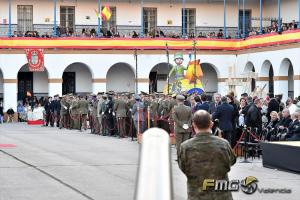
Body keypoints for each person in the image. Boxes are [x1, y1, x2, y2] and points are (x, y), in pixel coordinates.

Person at [178, 110, 236, 200]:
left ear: (193, 125)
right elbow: (232, 161)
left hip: (197, 195)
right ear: (211, 124)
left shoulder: (185, 147)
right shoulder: (223, 144)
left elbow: (183, 167)